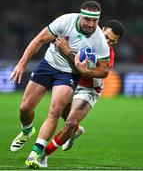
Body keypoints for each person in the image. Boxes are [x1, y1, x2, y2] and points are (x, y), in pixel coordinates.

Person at [10, 0, 110, 169]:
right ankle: (27, 131)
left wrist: (85, 71)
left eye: (95, 21)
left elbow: (104, 70)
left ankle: (35, 153)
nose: (91, 24)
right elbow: (39, 39)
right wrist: (21, 64)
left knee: (55, 110)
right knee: (25, 109)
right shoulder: (65, 21)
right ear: (80, 16)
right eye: (87, 19)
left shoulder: (98, 39)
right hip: (48, 64)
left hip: (68, 74)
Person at [38, 19, 125, 168]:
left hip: (88, 89)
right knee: (59, 114)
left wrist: (72, 56)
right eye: (106, 37)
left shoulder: (108, 54)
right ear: (101, 29)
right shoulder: (80, 37)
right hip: (70, 81)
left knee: (70, 123)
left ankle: (43, 156)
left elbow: (97, 72)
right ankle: (76, 131)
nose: (108, 42)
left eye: (113, 41)